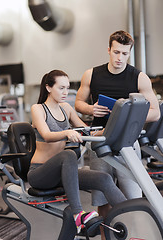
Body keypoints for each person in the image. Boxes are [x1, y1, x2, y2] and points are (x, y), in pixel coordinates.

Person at [75, 30, 161, 239]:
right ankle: (107, 237)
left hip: (127, 142)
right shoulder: (91, 74)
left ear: (129, 53)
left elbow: (155, 113)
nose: (119, 58)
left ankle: (137, 234)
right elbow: (78, 103)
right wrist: (90, 110)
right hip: (99, 141)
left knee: (132, 196)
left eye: (124, 53)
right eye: (116, 52)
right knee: (102, 198)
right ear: (109, 50)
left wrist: (128, 115)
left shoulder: (139, 77)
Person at [27, 69, 127, 236]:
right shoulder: (38, 109)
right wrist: (67, 132)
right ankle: (78, 214)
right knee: (68, 154)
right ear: (49, 88)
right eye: (61, 88)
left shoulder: (66, 108)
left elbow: (87, 131)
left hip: (62, 172)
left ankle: (133, 214)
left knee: (103, 178)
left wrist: (112, 128)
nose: (66, 92)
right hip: (40, 173)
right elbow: (47, 135)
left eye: (67, 88)